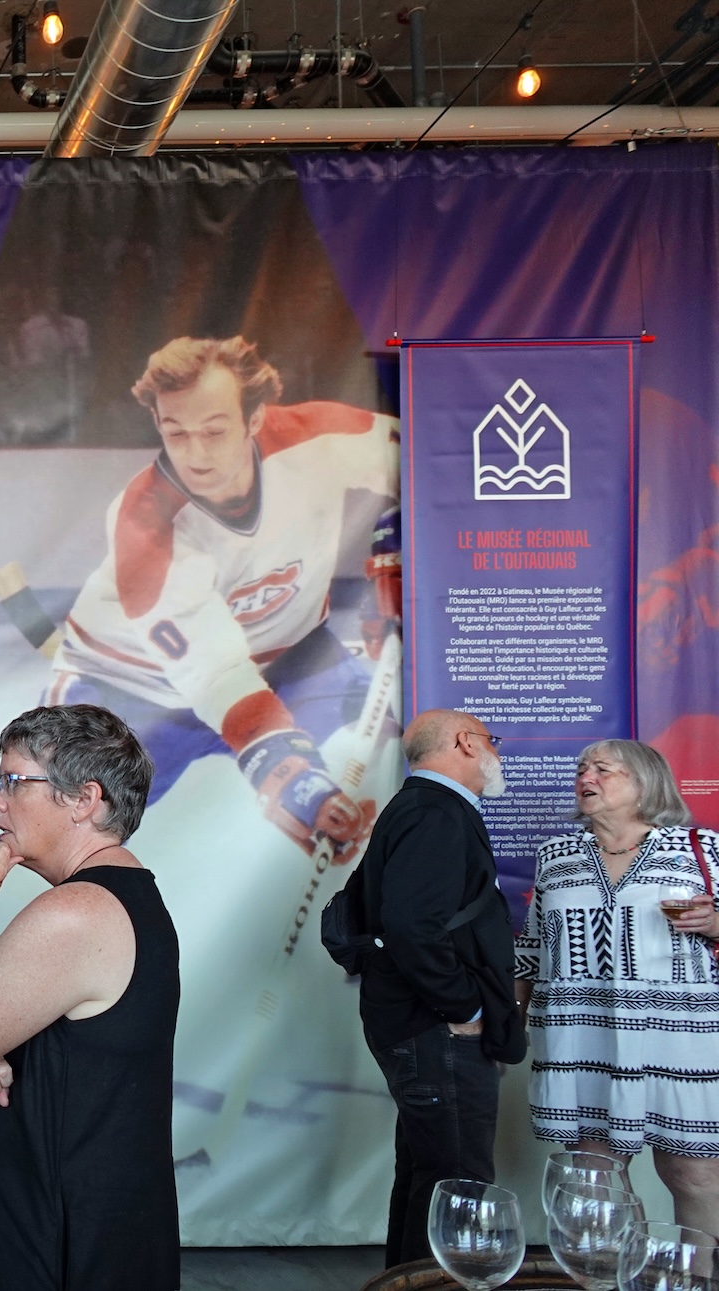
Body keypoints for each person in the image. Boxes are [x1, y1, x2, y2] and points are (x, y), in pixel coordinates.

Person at [43, 334, 399, 863]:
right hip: (135, 691)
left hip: (292, 656)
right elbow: (217, 676)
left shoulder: (317, 438)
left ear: (255, 420)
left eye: (215, 430)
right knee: (55, 846)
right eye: (176, 433)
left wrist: (399, 535)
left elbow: (435, 455)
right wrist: (286, 770)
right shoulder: (146, 520)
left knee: (394, 753)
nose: (197, 454)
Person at [0, 703, 179, 1291]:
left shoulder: (76, 911)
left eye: (13, 781)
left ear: (84, 800)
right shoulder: (121, 896)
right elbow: (32, 1044)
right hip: (80, 1226)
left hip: (61, 1243)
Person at [515, 739, 719, 1237]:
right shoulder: (556, 855)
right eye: (582, 768)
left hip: (680, 1037)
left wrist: (714, 923)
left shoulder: (702, 847)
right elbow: (533, 948)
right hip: (581, 1035)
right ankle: (612, 1274)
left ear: (645, 782)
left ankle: (703, 1278)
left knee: (693, 1173)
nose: (587, 775)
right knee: (593, 1175)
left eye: (603, 769)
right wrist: (508, 1024)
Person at [356, 708, 525, 1268]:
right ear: (464, 742)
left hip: (420, 1025)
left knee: (432, 1177)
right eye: (490, 739)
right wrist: (467, 1005)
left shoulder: (423, 808)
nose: (496, 753)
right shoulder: (436, 813)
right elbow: (410, 925)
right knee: (458, 1183)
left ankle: (408, 1283)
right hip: (438, 1029)